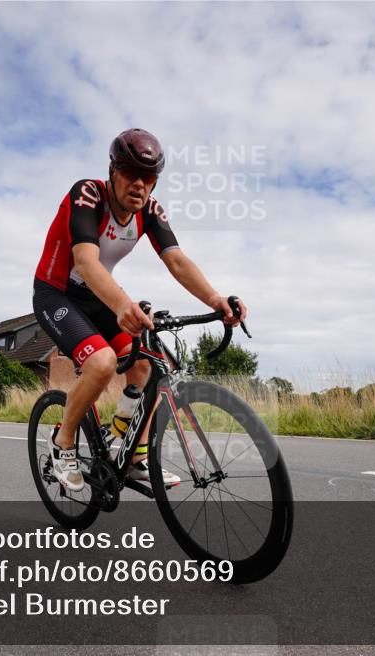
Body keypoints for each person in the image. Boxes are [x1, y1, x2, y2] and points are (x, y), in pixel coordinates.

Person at [32, 128, 246, 491]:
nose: (139, 184)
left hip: (99, 298)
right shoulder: (87, 194)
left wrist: (215, 300)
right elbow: (84, 261)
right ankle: (63, 441)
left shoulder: (149, 211)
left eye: (149, 178)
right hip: (57, 295)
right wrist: (121, 305)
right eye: (131, 173)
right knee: (100, 364)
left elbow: (177, 261)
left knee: (148, 364)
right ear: (113, 170)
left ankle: (134, 456)